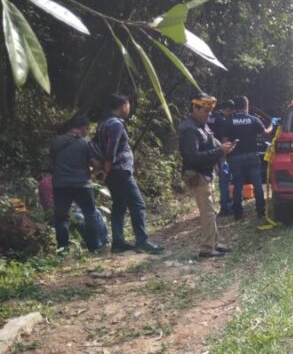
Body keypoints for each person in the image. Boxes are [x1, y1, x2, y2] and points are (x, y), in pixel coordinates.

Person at [97, 94, 163, 254]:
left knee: (119, 206)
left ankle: (118, 242)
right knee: (138, 204)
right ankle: (142, 241)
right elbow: (110, 149)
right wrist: (106, 168)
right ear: (122, 106)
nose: (129, 108)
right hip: (120, 170)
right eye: (128, 105)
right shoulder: (115, 124)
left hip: (114, 171)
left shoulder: (104, 123)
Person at [178, 93, 236, 258]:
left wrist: (224, 147)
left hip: (208, 174)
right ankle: (207, 248)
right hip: (198, 175)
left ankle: (214, 243)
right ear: (194, 108)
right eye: (205, 110)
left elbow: (211, 143)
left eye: (210, 110)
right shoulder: (189, 129)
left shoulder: (202, 125)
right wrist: (219, 150)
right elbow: (193, 157)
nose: (209, 113)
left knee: (211, 211)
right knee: (208, 213)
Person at [50, 114, 102, 251]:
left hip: (60, 184)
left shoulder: (56, 142)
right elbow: (94, 163)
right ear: (84, 128)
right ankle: (94, 247)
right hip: (82, 183)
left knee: (61, 217)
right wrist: (93, 172)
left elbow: (53, 162)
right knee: (90, 213)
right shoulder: (86, 142)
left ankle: (62, 249)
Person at [224, 95, 272, 221]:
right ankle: (260, 211)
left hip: (235, 158)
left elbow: (224, 141)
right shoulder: (253, 119)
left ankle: (238, 214)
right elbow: (266, 133)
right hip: (252, 156)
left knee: (238, 185)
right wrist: (272, 124)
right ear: (247, 106)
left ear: (235, 107)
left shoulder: (228, 121)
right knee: (257, 185)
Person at [208, 99, 235, 216]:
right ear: (227, 109)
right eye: (231, 111)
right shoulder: (222, 120)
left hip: (207, 153)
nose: (231, 114)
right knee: (224, 180)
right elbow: (224, 139)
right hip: (220, 153)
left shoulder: (209, 117)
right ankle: (225, 207)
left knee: (209, 181)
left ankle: (210, 209)